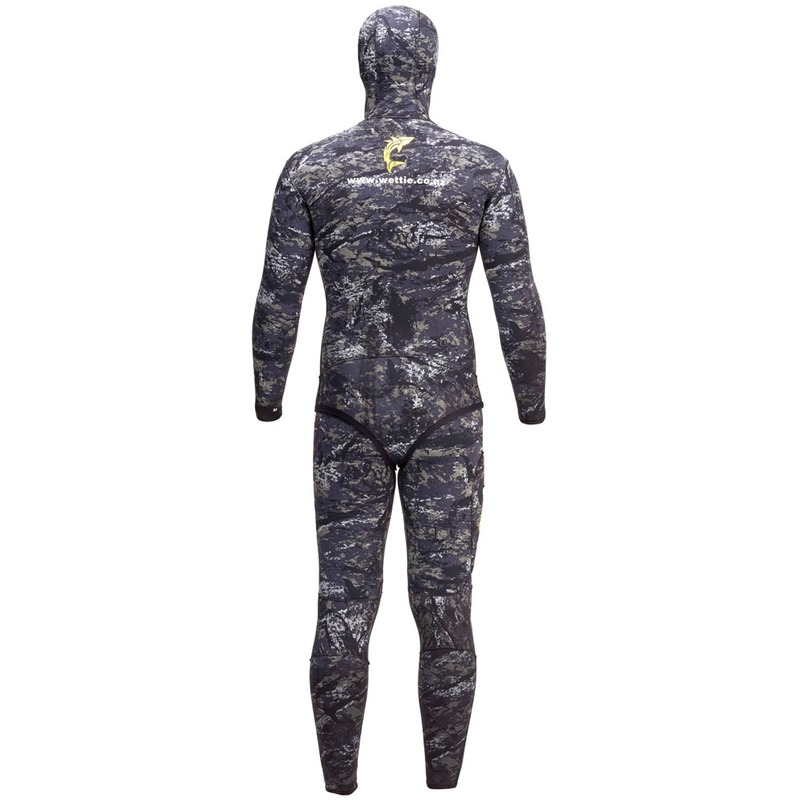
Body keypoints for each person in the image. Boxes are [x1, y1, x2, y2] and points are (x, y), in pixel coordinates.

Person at [252, 5, 546, 793]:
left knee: (342, 605)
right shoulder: (481, 168)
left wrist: (269, 393)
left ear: (364, 67)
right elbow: (516, 297)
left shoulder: (312, 168)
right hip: (447, 416)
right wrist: (532, 397)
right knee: (446, 603)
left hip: (346, 412)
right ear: (432, 67)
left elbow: (278, 296)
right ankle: (442, 781)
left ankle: (340, 783)